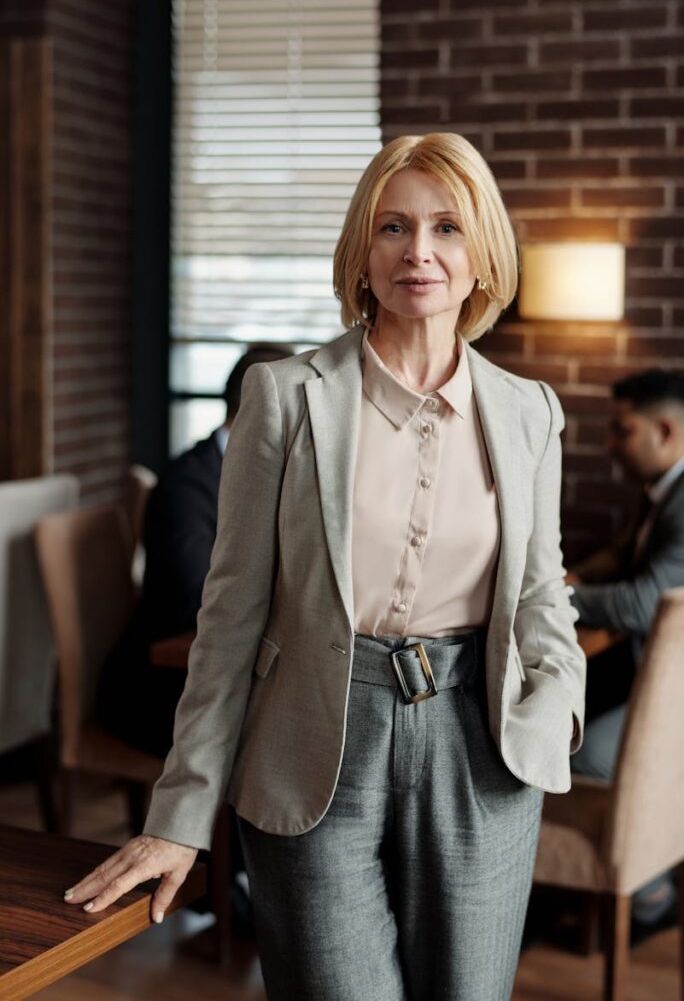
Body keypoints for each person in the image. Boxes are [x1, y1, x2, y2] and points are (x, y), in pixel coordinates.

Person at [64, 133, 585, 1000]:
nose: (419, 251)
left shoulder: (530, 413)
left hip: (482, 748)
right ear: (361, 251)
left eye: (448, 227)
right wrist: (181, 818)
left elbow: (540, 594)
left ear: (483, 254)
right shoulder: (285, 397)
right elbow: (229, 620)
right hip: (313, 744)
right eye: (393, 227)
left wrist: (553, 713)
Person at [97, 343, 293, 759]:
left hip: (218, 679)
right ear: (264, 411)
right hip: (158, 689)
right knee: (279, 745)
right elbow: (198, 602)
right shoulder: (185, 488)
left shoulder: (275, 477)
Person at [569, 370, 684, 928]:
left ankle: (648, 895)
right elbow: (622, 555)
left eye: (621, 431)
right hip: (645, 674)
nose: (609, 445)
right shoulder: (662, 494)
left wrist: (555, 598)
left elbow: (641, 604)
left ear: (665, 430)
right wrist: (571, 579)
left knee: (581, 754)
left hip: (673, 699)